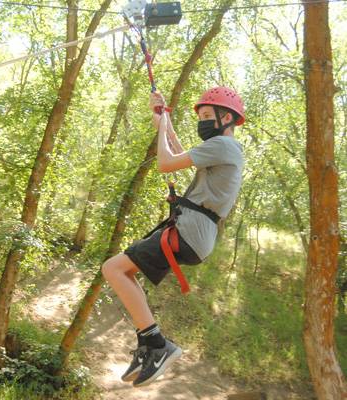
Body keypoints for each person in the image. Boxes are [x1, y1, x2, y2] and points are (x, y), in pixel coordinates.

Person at [101, 87, 245, 387]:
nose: (202, 121)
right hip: (193, 234)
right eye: (201, 116)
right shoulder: (223, 148)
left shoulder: (225, 145)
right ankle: (148, 344)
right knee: (122, 270)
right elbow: (176, 148)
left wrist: (164, 121)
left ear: (226, 118)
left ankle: (157, 344)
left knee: (113, 268)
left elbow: (166, 163)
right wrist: (161, 117)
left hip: (189, 232)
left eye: (208, 115)